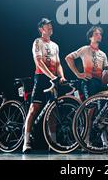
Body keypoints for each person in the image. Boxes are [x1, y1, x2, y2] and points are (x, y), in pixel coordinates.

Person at [23, 18, 66, 153]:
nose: (51, 27)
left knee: (52, 110)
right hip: (41, 78)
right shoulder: (37, 42)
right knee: (34, 109)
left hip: (52, 78)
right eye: (48, 26)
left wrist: (62, 76)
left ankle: (52, 143)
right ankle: (26, 141)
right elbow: (39, 62)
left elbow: (58, 63)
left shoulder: (55, 45)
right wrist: (52, 76)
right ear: (41, 29)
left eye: (51, 25)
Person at [65, 26, 108, 98]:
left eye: (100, 34)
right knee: (90, 106)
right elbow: (68, 58)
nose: (99, 35)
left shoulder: (103, 54)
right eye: (96, 34)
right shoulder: (85, 49)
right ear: (90, 37)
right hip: (88, 82)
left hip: (99, 83)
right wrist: (78, 74)